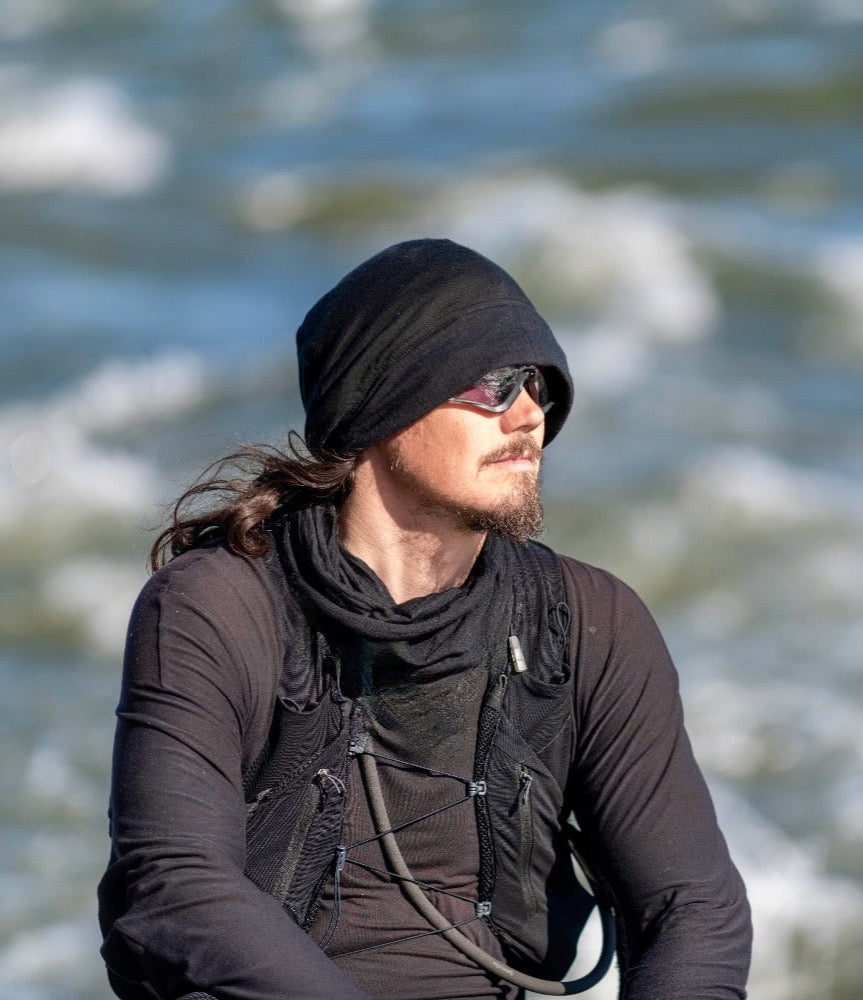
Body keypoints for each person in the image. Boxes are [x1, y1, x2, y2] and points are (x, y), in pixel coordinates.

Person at [98, 238, 751, 1000]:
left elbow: (695, 909)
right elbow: (175, 886)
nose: (530, 416)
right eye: (492, 386)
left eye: (538, 385)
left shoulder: (589, 623)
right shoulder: (217, 607)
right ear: (380, 406)